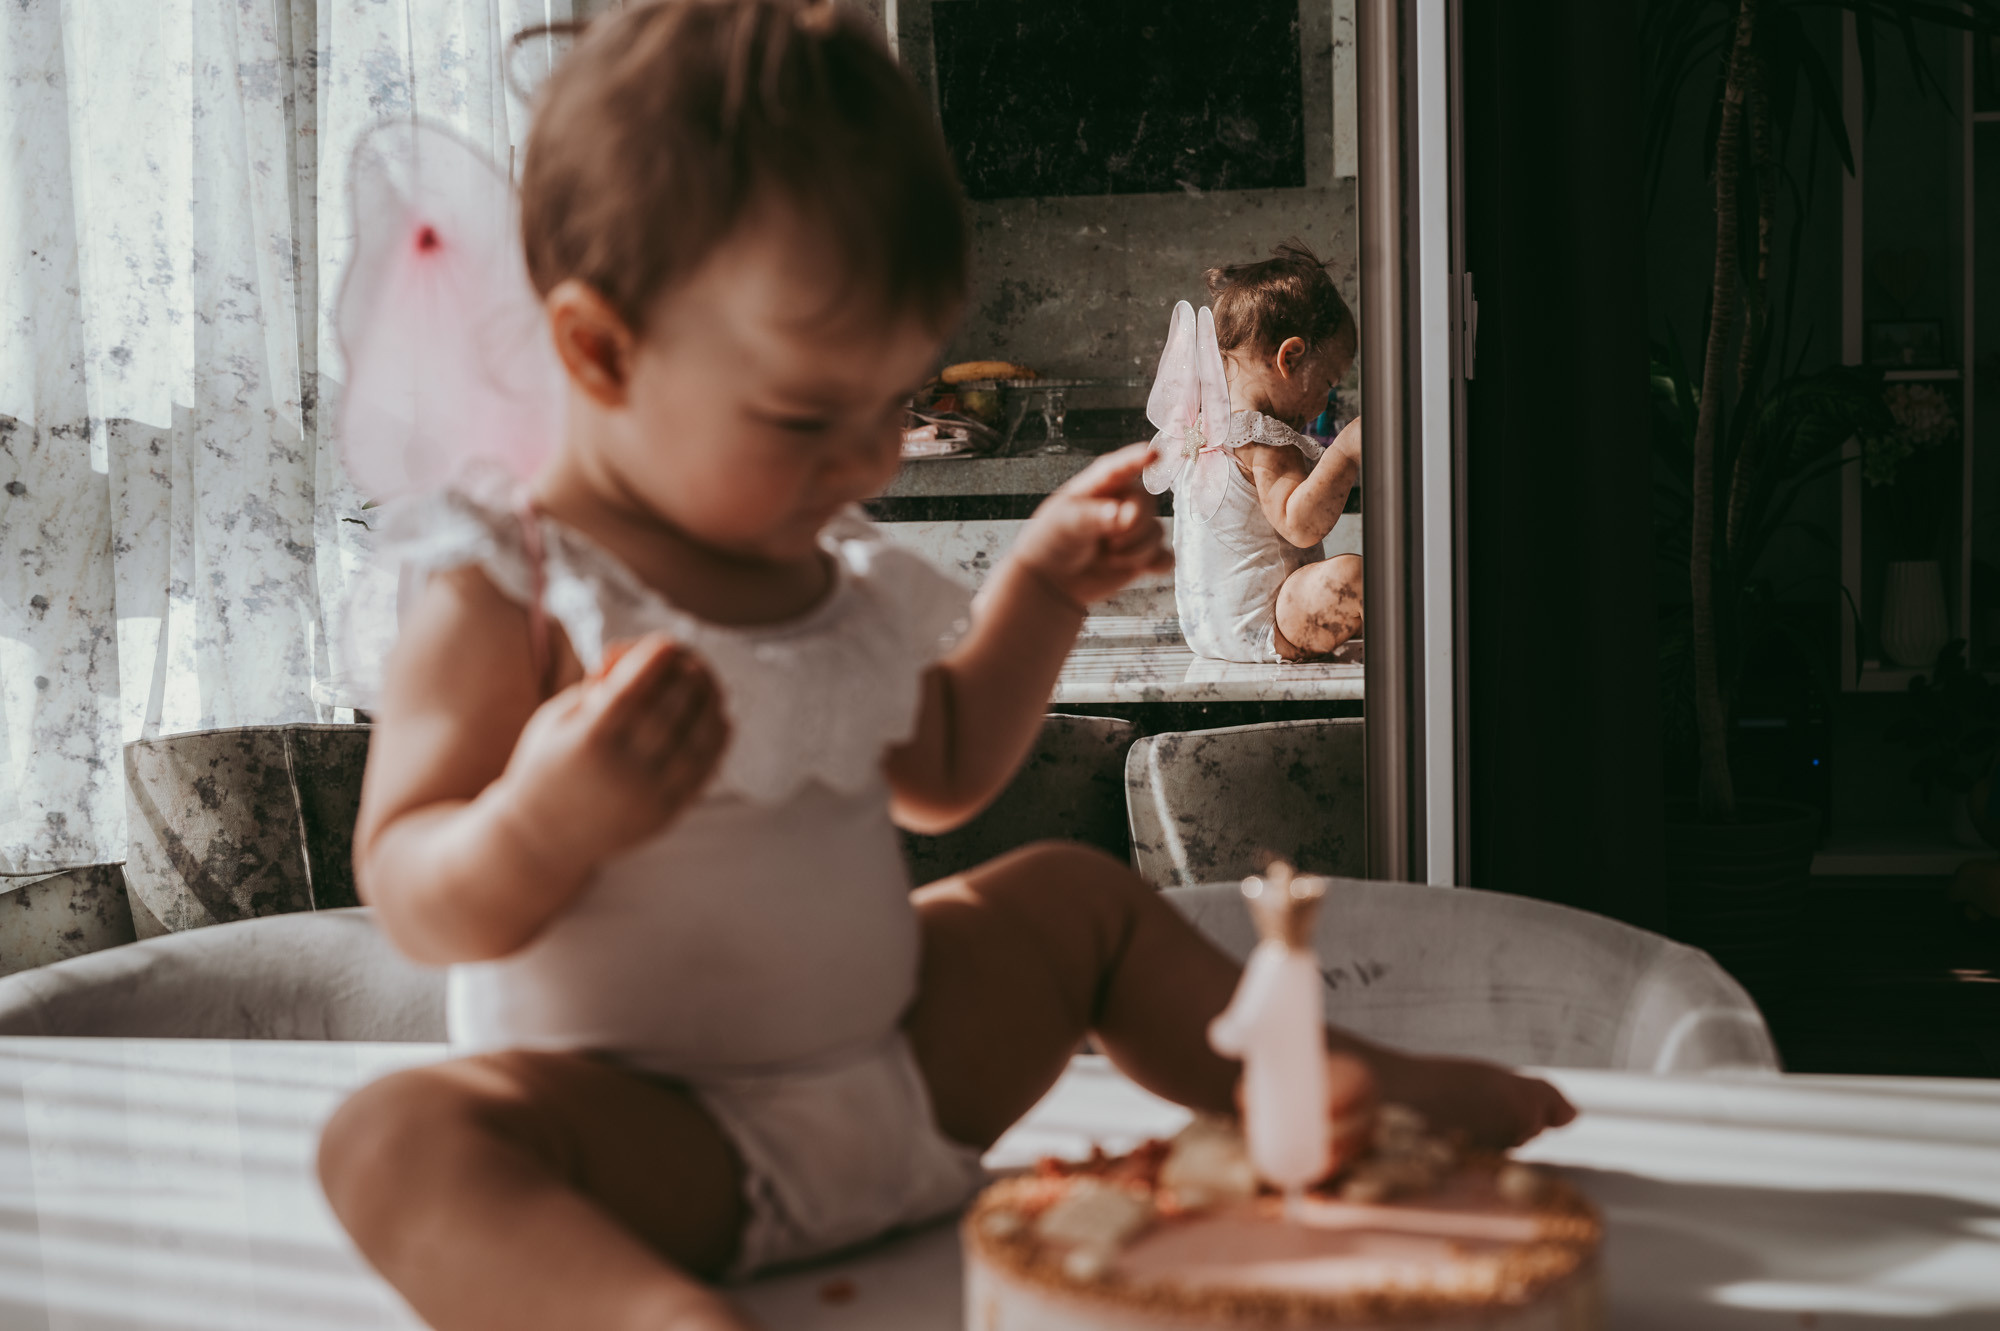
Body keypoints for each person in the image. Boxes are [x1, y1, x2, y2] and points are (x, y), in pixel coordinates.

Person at [314, 6, 1573, 1329]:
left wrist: (1035, 592)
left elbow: (942, 768)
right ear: (600, 349)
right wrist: (539, 819)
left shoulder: (824, 563)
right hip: (655, 1143)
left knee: (1075, 900)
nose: (862, 462)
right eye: (809, 415)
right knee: (398, 1136)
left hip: (897, 1084)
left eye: (889, 406)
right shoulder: (511, 584)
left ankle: (1334, 1080)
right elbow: (411, 888)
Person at [1172, 243, 1365, 663]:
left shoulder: (1204, 432)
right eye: (1329, 381)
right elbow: (1301, 525)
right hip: (1269, 624)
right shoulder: (1262, 435)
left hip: (1207, 632)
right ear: (1290, 357)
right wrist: (1348, 450)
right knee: (1356, 576)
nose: (1325, 399)